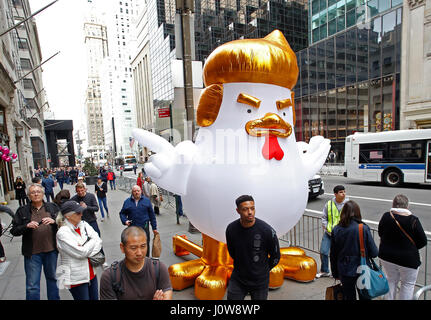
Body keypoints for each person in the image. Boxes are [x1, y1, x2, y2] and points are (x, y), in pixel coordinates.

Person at [10, 184, 60, 300]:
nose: (36, 194)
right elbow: (14, 230)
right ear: (28, 195)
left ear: (43, 194)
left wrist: (54, 221)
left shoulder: (52, 207)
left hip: (51, 250)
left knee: (52, 279)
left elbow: (64, 224)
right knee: (32, 285)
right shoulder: (23, 211)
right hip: (32, 253)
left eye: (38, 191)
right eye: (33, 192)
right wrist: (26, 226)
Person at [225, 195, 280, 300]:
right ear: (238, 211)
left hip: (260, 282)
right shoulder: (231, 229)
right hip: (238, 278)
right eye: (245, 209)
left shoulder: (267, 231)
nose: (250, 212)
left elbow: (276, 256)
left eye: (252, 208)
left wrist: (262, 270)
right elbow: (232, 252)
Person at [99, 226, 173, 300]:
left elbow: (167, 292)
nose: (139, 253)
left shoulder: (159, 268)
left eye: (143, 246)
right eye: (133, 248)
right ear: (122, 248)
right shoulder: (109, 277)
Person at [378, 194, 427, 300]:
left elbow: (380, 232)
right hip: (408, 260)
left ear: (393, 204)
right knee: (407, 284)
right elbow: (423, 241)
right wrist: (411, 248)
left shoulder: (387, 216)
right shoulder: (413, 220)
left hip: (387, 256)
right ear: (407, 206)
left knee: (390, 280)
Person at [330, 200, 378, 300]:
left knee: (348, 296)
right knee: (364, 296)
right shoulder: (363, 228)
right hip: (362, 269)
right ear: (357, 212)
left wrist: (335, 272)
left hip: (344, 270)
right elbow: (374, 252)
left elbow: (333, 254)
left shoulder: (336, 229)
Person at [56, 200, 102, 300]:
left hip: (91, 273)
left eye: (81, 211)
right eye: (78, 213)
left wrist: (87, 248)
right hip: (76, 279)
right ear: (68, 216)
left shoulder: (84, 224)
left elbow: (98, 240)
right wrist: (92, 243)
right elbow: (81, 252)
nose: (81, 214)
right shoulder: (63, 233)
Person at [316, 185, 348, 278]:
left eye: (344, 192)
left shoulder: (348, 204)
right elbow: (324, 217)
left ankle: (339, 272)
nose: (343, 194)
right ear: (335, 194)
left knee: (341, 254)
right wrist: (326, 227)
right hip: (329, 233)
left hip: (342, 235)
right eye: (341, 192)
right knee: (323, 251)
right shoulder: (329, 204)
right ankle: (325, 270)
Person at [119, 185, 158, 257]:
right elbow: (122, 213)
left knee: (145, 244)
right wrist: (125, 221)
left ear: (141, 191)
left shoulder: (147, 201)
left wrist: (154, 228)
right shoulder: (127, 202)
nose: (136, 192)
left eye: (138, 191)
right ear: (132, 192)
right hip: (132, 228)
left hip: (144, 228)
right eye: (134, 191)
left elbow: (152, 215)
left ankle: (146, 259)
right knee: (134, 245)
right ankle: (135, 259)